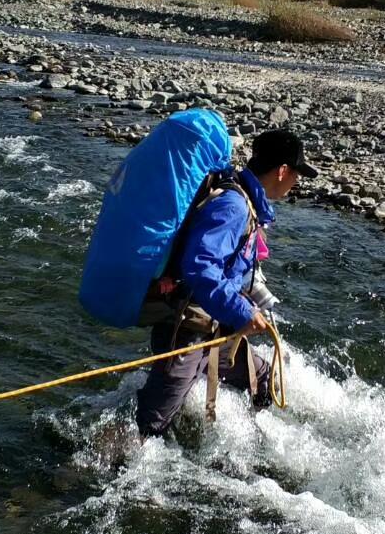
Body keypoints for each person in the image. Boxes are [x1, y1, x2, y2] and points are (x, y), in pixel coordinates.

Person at [135, 129, 317, 437]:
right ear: (283, 170)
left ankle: (254, 444)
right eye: (297, 174)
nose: (297, 182)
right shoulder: (234, 207)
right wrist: (242, 312)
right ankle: (97, 467)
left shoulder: (246, 203)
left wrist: (244, 305)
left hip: (214, 331)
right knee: (149, 428)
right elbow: (200, 268)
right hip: (187, 333)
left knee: (264, 379)